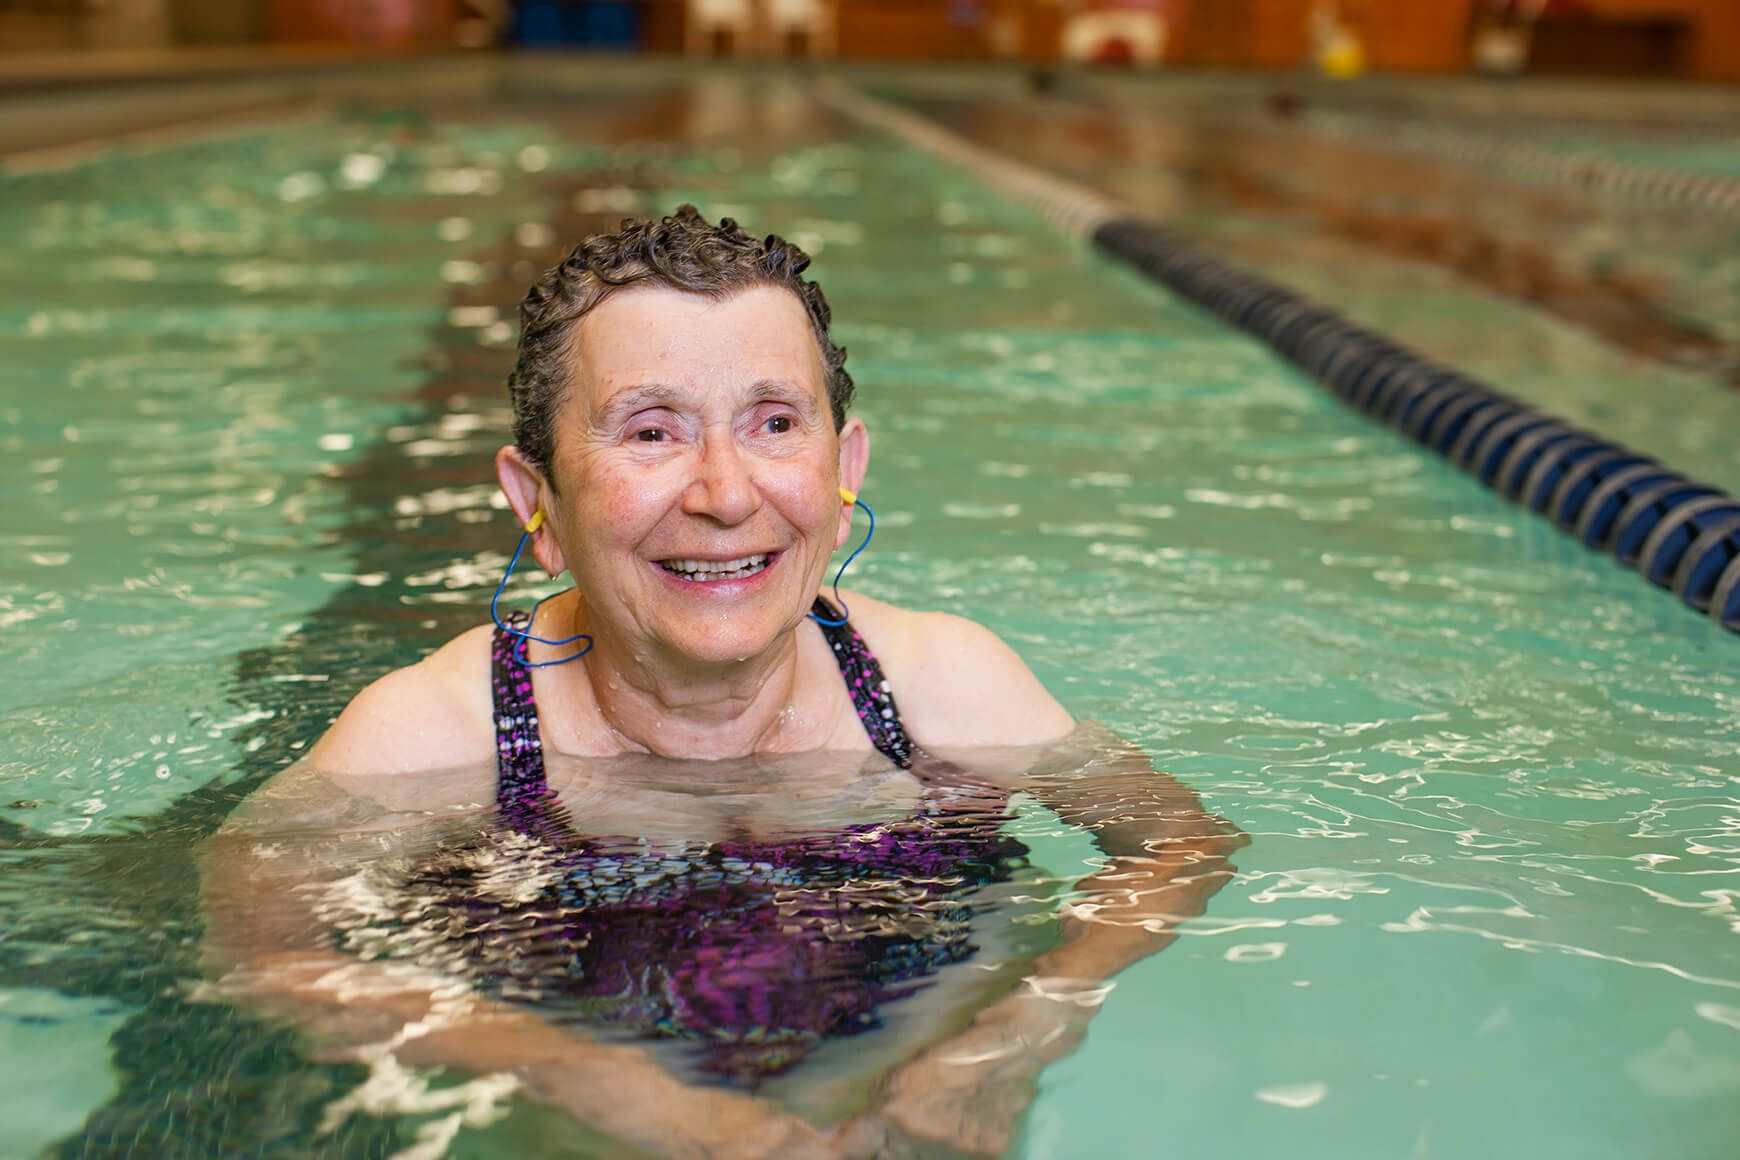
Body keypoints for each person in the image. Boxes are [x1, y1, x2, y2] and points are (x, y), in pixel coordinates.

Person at [202, 206, 1242, 1158]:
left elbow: (1180, 842)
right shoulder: (440, 731)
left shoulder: (940, 684)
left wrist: (1019, 1031)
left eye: (775, 422)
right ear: (539, 500)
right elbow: (260, 943)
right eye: (651, 430)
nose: (725, 492)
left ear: (846, 474)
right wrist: (582, 1074)